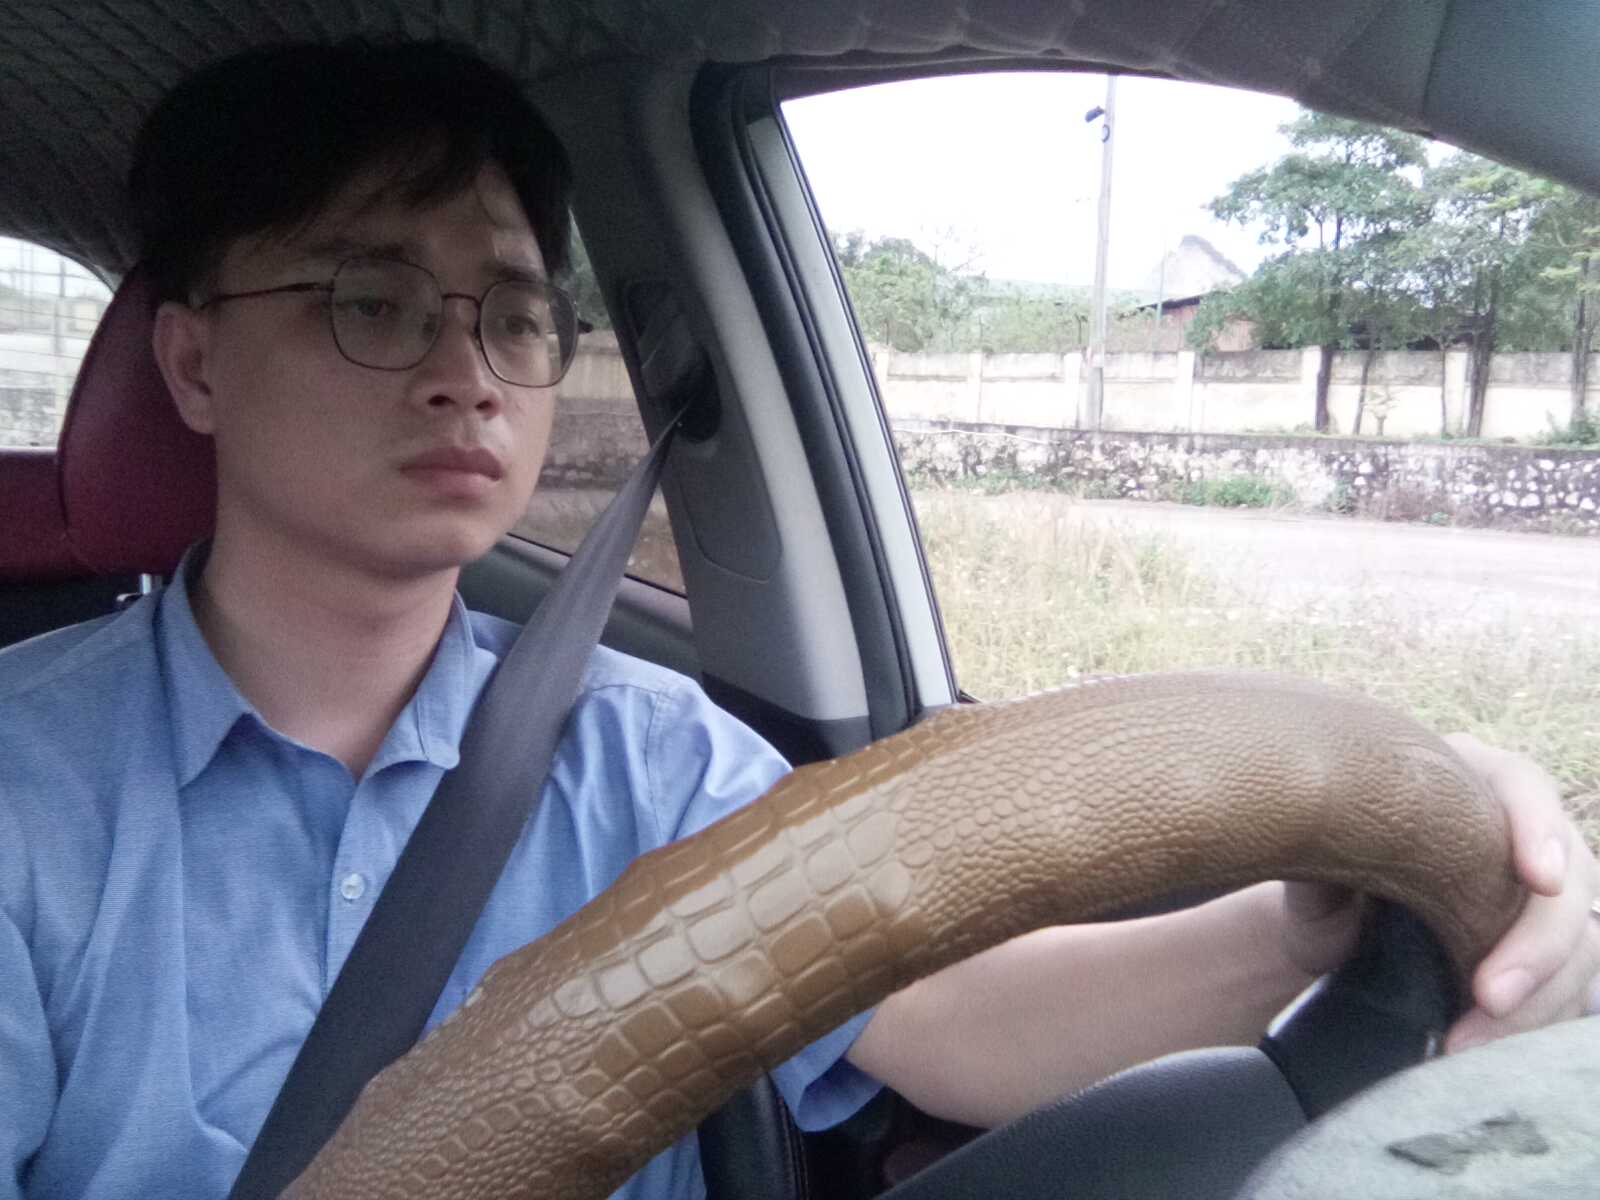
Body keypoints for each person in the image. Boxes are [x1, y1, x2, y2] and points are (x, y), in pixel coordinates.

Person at [0, 35, 1594, 1200]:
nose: (467, 372)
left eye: (519, 316)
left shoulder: (645, 754)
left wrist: (1305, 924)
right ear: (194, 365)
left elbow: (944, 1017)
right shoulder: (24, 786)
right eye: (374, 301)